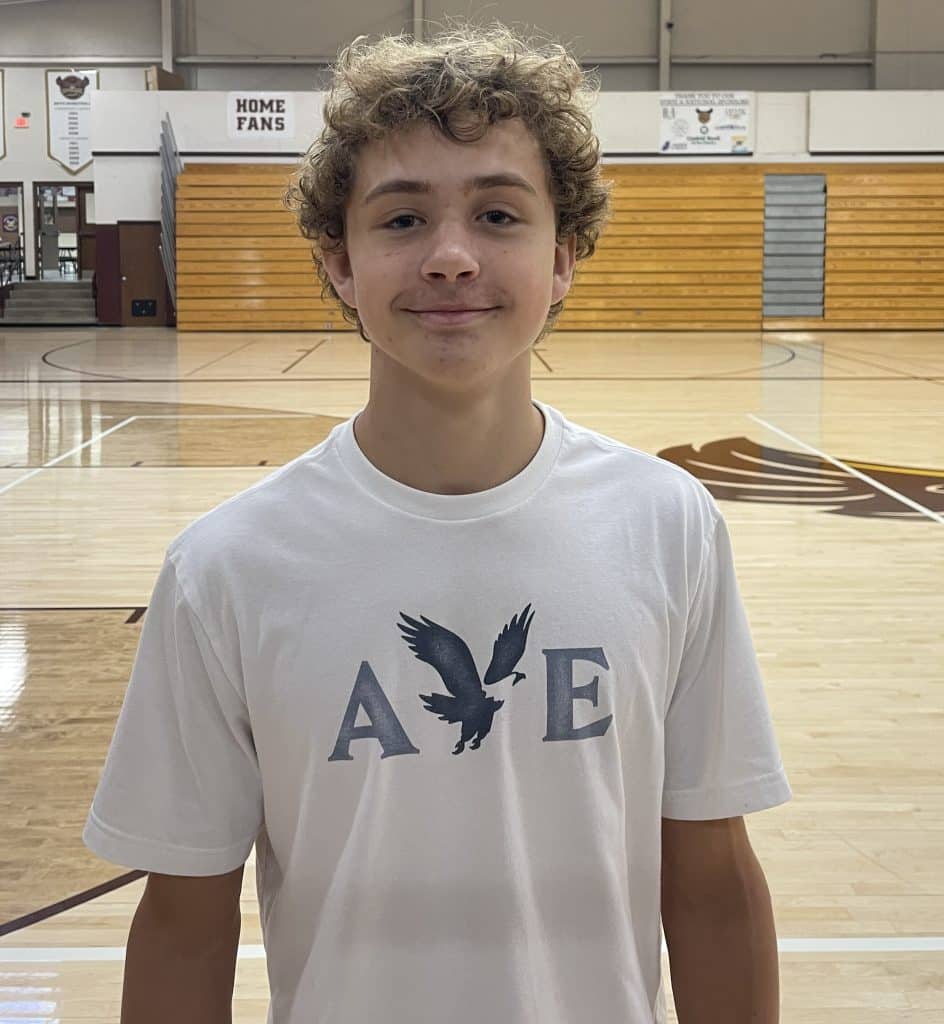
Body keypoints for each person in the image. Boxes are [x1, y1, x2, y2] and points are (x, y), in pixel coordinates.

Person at [83, 18, 792, 1024]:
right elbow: (184, 925)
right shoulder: (226, 567)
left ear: (563, 257)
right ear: (340, 262)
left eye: (498, 215)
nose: (452, 257)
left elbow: (712, 884)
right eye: (404, 219)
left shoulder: (665, 523)